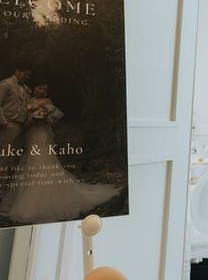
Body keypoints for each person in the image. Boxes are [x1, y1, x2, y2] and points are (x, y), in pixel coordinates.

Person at [0, 83, 120, 224]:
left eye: (45, 89)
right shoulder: (28, 101)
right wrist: (32, 118)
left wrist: (46, 117)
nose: (42, 91)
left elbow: (56, 117)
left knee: (43, 158)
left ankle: (41, 196)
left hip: (43, 133)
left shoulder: (47, 101)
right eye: (40, 88)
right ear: (34, 88)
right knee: (30, 159)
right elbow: (25, 120)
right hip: (31, 133)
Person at [0, 67, 32, 153]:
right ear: (17, 71)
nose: (27, 77)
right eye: (25, 74)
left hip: (21, 127)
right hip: (7, 126)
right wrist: (5, 123)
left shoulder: (26, 88)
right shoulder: (6, 84)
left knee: (13, 155)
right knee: (4, 154)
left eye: (29, 75)